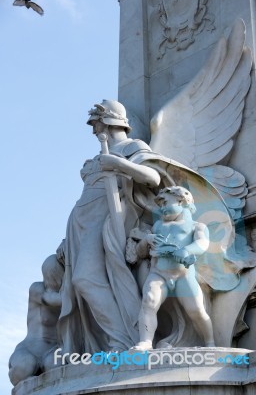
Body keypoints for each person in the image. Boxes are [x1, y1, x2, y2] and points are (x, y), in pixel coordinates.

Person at [59, 100, 161, 355]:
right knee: (77, 283)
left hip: (105, 218)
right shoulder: (94, 159)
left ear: (109, 121)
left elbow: (153, 178)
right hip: (80, 221)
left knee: (85, 278)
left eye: (96, 122)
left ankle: (122, 339)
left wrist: (119, 164)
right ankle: (113, 340)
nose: (94, 129)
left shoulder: (133, 147)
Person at [132, 186, 215, 351]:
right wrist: (147, 240)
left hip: (183, 275)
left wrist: (185, 250)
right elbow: (140, 252)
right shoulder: (157, 226)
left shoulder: (197, 226)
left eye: (165, 203)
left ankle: (210, 342)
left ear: (181, 201)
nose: (162, 208)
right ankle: (146, 342)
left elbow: (202, 244)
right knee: (149, 301)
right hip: (159, 273)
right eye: (160, 205)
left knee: (196, 310)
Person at [9, 255, 64, 385]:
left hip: (52, 350)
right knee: (25, 365)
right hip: (30, 349)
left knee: (57, 366)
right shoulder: (37, 289)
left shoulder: (68, 295)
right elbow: (53, 299)